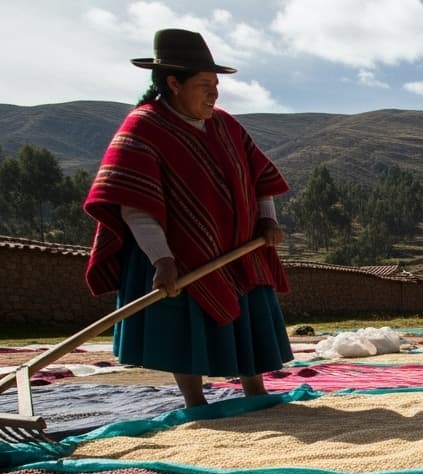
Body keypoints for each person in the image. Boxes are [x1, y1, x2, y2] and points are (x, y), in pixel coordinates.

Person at [82, 29, 292, 409]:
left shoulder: (226, 125)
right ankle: (196, 403)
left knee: (247, 321)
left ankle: (256, 393)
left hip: (240, 249)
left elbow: (260, 177)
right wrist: (162, 260)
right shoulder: (142, 129)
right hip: (178, 253)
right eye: (204, 85)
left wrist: (266, 221)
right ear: (173, 83)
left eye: (215, 84)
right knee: (185, 326)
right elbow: (135, 204)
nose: (214, 94)